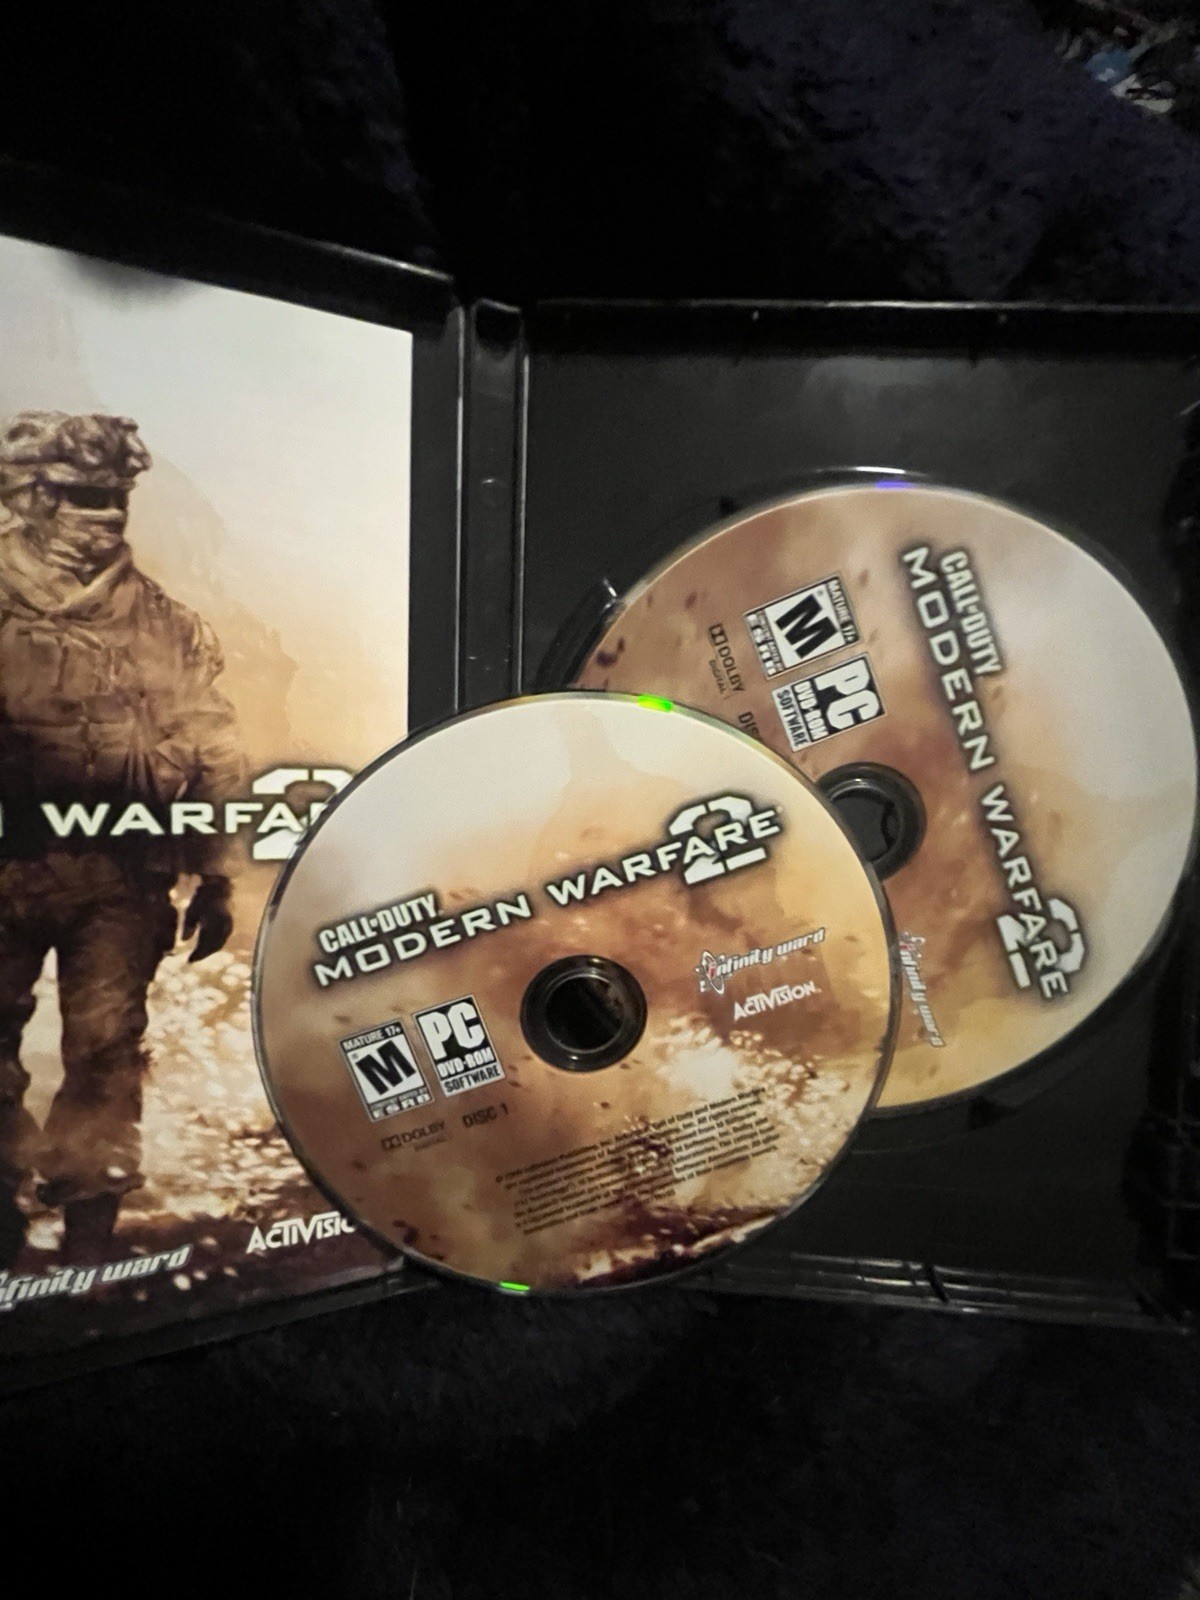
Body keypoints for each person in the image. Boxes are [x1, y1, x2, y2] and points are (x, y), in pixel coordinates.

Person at [0, 411, 244, 1266]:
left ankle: (90, 1245)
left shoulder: (164, 622)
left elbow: (213, 747)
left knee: (106, 1052)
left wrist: (216, 874)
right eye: (78, 495)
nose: (101, 516)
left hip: (118, 874)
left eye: (114, 497)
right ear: (29, 496)